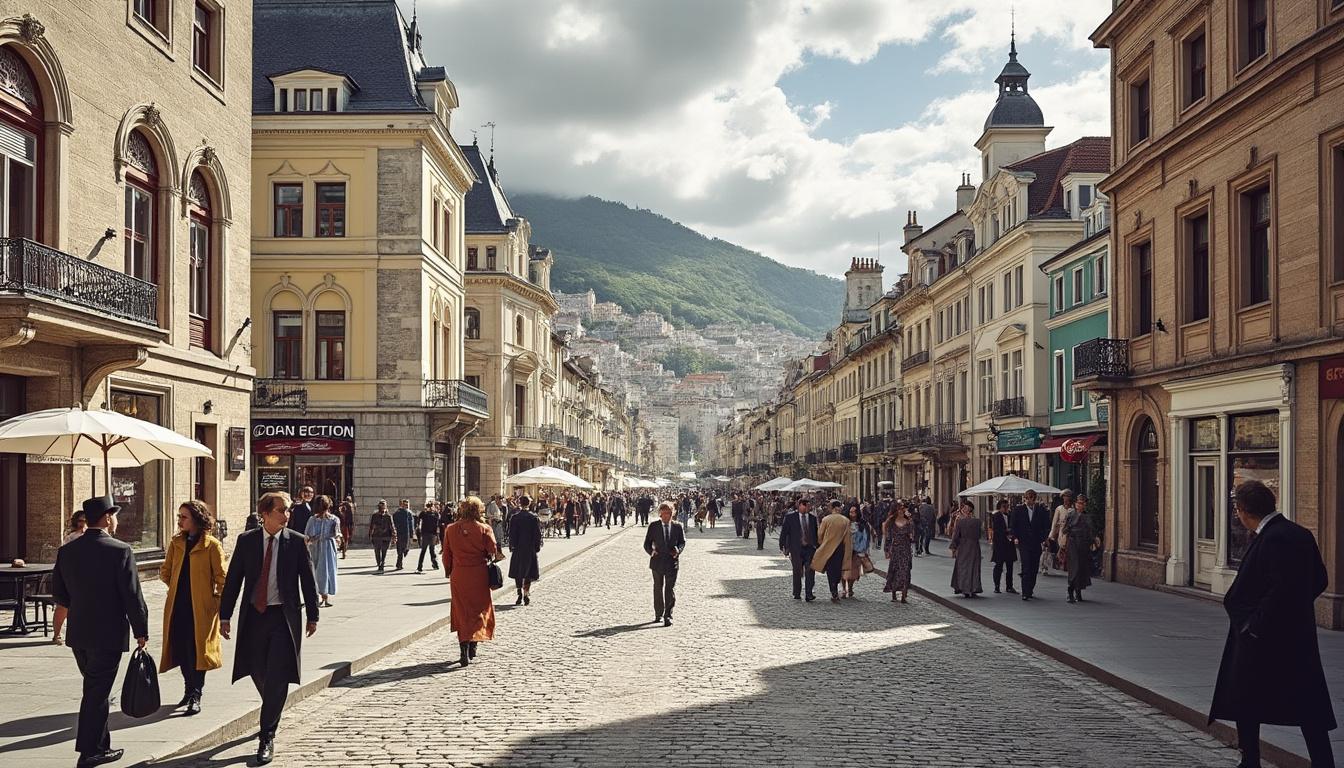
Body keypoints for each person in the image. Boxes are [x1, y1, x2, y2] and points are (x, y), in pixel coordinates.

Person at [1207, 481, 1336, 768]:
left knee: (1248, 696)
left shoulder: (1274, 538)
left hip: (1265, 640)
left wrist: (1256, 624)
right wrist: (1298, 608)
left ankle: (1251, 760)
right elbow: (1319, 580)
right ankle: (1317, 762)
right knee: (1304, 706)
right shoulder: (1299, 533)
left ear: (1242, 511)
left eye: (1237, 510)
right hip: (1294, 637)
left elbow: (1281, 588)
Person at [219, 491, 319, 766]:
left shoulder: (296, 542)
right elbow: (234, 581)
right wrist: (224, 615)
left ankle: (267, 736)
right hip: (254, 616)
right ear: (265, 513)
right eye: (281, 511)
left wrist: (313, 614)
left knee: (277, 674)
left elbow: (308, 581)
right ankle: (273, 705)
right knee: (256, 669)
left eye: (287, 511)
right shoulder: (247, 541)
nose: (287, 515)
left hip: (282, 618)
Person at [51, 496, 149, 768]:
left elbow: (58, 593)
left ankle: (100, 745)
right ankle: (90, 751)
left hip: (79, 633)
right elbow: (132, 595)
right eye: (114, 515)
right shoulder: (120, 550)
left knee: (96, 689)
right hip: (107, 634)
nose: (115, 519)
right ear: (107, 518)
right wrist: (141, 629)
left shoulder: (67, 550)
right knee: (96, 692)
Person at [158, 500, 226, 716]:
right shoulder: (176, 543)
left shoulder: (211, 545)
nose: (179, 521)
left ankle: (196, 694)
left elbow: (223, 578)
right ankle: (188, 690)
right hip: (178, 605)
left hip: (201, 608)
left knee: (199, 651)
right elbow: (165, 571)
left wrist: (214, 601)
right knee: (182, 649)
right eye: (179, 516)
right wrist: (176, 586)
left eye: (183, 517)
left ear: (197, 518)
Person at [443, 496, 500, 667]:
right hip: (479, 574)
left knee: (462, 610)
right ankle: (473, 644)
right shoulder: (484, 528)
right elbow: (493, 550)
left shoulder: (450, 529)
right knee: (479, 609)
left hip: (459, 575)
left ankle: (463, 647)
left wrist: (449, 571)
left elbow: (447, 555)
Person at [643, 501, 685, 626]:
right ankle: (658, 613)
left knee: (669, 589)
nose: (667, 515)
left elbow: (682, 542)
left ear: (673, 513)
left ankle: (668, 615)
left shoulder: (678, 526)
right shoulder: (654, 526)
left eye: (669, 513)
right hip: (657, 561)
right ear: (660, 514)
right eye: (665, 513)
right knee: (658, 588)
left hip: (672, 562)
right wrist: (651, 552)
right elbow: (646, 543)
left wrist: (678, 550)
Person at [51, 510, 87, 646]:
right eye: (80, 520)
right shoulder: (71, 538)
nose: (83, 524)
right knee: (63, 605)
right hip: (71, 575)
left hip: (86, 576)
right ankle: (57, 634)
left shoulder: (92, 535)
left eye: (85, 520)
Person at [1010, 489, 1050, 600]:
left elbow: (1046, 525)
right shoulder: (1019, 510)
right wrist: (1015, 537)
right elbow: (1013, 525)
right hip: (1024, 542)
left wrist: (1043, 538)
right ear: (1025, 498)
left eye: (1032, 498)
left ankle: (1030, 588)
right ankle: (1025, 592)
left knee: (1034, 567)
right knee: (1026, 566)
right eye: (1028, 498)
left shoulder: (1041, 510)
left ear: (1035, 499)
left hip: (1036, 542)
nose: (1029, 501)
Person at [811, 500, 853, 603]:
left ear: (832, 508)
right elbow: (848, 537)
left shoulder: (826, 519)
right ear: (838, 508)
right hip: (840, 549)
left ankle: (833, 591)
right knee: (838, 570)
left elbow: (820, 535)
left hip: (828, 548)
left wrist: (822, 544)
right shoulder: (846, 520)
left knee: (830, 571)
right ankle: (835, 586)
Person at [779, 499, 819, 601]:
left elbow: (815, 533)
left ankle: (808, 594)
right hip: (796, 548)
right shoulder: (790, 517)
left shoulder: (812, 518)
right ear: (800, 505)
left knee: (810, 571)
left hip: (809, 548)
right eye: (806, 506)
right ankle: (797, 593)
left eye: (809, 506)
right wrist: (782, 545)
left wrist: (817, 546)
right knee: (797, 571)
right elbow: (784, 532)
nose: (808, 508)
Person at [304, 495, 339, 607]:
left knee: (326, 571)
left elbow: (337, 533)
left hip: (327, 548)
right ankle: (320, 596)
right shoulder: (313, 520)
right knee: (317, 571)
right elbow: (308, 536)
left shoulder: (333, 519)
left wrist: (337, 538)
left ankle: (324, 596)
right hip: (317, 547)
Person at [507, 495, 543, 605]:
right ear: (529, 504)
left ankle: (519, 593)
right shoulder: (533, 517)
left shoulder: (515, 517)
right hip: (529, 547)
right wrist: (537, 547)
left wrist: (512, 545)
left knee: (518, 571)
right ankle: (526, 593)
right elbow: (537, 534)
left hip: (518, 547)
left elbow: (511, 534)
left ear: (519, 503)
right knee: (528, 571)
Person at [1061, 494, 1094, 603]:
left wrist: (1093, 541)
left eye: (1084, 503)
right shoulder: (1071, 515)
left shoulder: (1087, 516)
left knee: (1082, 568)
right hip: (1073, 543)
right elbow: (1064, 530)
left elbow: (1090, 531)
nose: (1082, 505)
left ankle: (1078, 591)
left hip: (1083, 544)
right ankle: (1070, 591)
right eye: (1080, 503)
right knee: (1075, 567)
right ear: (1076, 504)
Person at [949, 500, 983, 598]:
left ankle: (965, 588)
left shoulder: (960, 521)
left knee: (963, 567)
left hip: (963, 546)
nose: (963, 510)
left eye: (964, 508)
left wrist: (953, 547)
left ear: (967, 510)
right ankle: (973, 588)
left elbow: (956, 535)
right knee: (973, 567)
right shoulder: (978, 521)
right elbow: (979, 535)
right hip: (974, 546)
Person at [883, 503, 915, 603]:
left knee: (905, 570)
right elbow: (888, 537)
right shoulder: (891, 523)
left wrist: (911, 537)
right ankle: (893, 593)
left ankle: (904, 595)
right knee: (895, 570)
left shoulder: (909, 523)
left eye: (902, 509)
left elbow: (912, 537)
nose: (901, 511)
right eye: (899, 509)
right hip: (895, 549)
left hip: (905, 549)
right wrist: (887, 549)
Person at [843, 504, 874, 599]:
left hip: (857, 550)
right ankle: (844, 589)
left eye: (854, 512)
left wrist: (861, 549)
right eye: (851, 512)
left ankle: (851, 587)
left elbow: (865, 538)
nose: (853, 514)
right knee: (843, 570)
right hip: (845, 550)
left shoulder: (862, 524)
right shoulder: (845, 522)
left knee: (853, 572)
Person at [989, 498, 1017, 595]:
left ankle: (1009, 586)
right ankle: (997, 586)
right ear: (1000, 508)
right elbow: (996, 529)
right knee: (999, 566)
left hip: (1009, 545)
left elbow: (1014, 527)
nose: (1006, 509)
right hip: (1000, 545)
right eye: (1004, 507)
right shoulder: (996, 516)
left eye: (1007, 506)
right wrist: (1006, 532)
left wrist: (1012, 534)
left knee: (1010, 567)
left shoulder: (1010, 516)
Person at [1047, 489, 1075, 574]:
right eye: (1064, 497)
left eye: (1068, 497)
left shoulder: (1073, 509)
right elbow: (1054, 522)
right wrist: (1051, 535)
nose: (1066, 499)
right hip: (1062, 532)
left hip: (1072, 532)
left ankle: (1069, 566)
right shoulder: (1059, 509)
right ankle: (1062, 565)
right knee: (1062, 547)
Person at [368, 500, 395, 573]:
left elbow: (392, 526)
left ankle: (382, 563)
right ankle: (379, 562)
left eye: (384, 506)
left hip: (386, 536)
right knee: (377, 551)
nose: (383, 508)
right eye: (381, 506)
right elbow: (371, 526)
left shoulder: (388, 516)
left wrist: (394, 535)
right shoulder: (375, 515)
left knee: (384, 551)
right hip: (377, 536)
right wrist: (370, 534)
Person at [415, 501, 441, 573]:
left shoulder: (424, 513)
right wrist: (438, 535)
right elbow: (438, 525)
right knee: (431, 550)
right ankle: (435, 564)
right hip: (432, 534)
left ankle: (420, 567)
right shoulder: (436, 514)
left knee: (423, 551)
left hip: (425, 534)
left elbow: (417, 520)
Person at [392, 499, 415, 571]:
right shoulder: (397, 513)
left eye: (407, 504)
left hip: (406, 533)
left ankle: (403, 555)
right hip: (399, 533)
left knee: (405, 547)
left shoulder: (409, 513)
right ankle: (399, 564)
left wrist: (412, 534)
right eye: (405, 504)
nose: (407, 506)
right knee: (400, 549)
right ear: (402, 505)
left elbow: (411, 524)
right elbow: (394, 523)